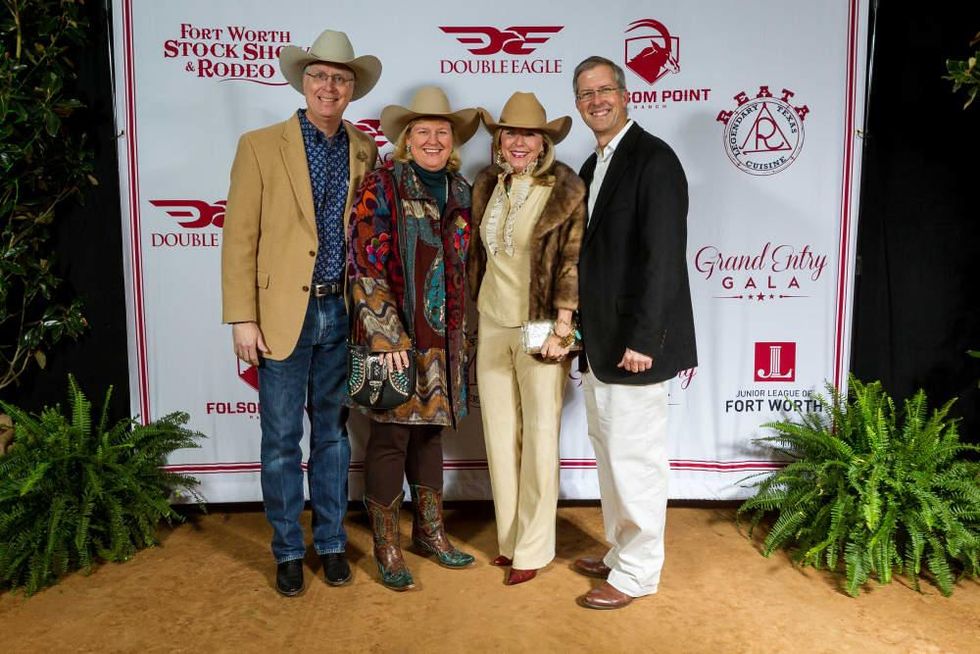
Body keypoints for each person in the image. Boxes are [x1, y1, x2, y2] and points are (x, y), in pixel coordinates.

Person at [221, 29, 380, 597]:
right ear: (303, 81)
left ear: (351, 88)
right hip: (281, 316)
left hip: (341, 313)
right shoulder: (260, 145)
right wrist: (243, 316)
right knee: (282, 439)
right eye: (319, 76)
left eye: (340, 78)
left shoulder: (365, 149)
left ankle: (332, 542)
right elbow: (238, 236)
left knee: (334, 438)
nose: (329, 86)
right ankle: (288, 549)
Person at [570, 56, 697, 609]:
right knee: (610, 454)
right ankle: (622, 549)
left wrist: (645, 339)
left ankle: (639, 571)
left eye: (605, 90)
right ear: (577, 105)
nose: (596, 100)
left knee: (636, 459)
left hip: (635, 344)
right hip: (600, 343)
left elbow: (663, 260)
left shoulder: (654, 160)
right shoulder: (591, 165)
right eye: (585, 93)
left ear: (626, 96)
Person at [347, 86, 479, 591]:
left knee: (430, 435)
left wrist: (463, 336)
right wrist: (385, 333)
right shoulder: (382, 185)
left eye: (441, 132)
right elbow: (364, 261)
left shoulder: (461, 190)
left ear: (453, 141)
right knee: (390, 437)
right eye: (421, 131)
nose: (432, 139)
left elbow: (465, 267)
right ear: (405, 140)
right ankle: (387, 544)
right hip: (397, 335)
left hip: (444, 340)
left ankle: (430, 533)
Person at [468, 92, 586, 585]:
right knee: (498, 436)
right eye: (510, 133)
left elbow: (572, 263)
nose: (519, 142)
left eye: (529, 134)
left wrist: (564, 326)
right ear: (499, 140)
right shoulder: (487, 184)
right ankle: (510, 539)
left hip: (540, 324)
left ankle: (533, 550)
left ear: (543, 143)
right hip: (492, 321)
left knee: (539, 436)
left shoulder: (566, 190)